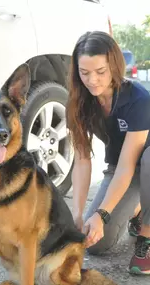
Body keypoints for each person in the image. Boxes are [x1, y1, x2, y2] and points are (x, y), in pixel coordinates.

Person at [66, 30, 150, 275]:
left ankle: (146, 236)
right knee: (96, 243)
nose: (92, 80)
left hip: (144, 163)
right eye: (85, 73)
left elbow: (129, 164)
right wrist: (79, 214)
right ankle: (136, 207)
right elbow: (82, 161)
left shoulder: (138, 100)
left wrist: (102, 214)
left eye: (100, 72)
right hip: (119, 168)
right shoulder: (79, 101)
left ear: (114, 65)